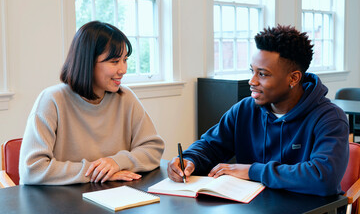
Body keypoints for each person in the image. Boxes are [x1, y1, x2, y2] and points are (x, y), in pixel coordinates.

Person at [168, 25, 349, 196]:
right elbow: (210, 145)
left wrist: (252, 171)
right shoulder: (244, 109)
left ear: (293, 78)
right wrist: (189, 160)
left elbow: (324, 178)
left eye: (262, 74)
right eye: (252, 71)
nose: (252, 81)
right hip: (254, 205)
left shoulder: (330, 118)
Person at [19, 21, 164, 185]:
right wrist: (98, 172)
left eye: (125, 60)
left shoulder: (126, 97)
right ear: (87, 62)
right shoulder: (52, 100)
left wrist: (117, 162)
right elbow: (32, 169)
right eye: (115, 61)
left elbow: (153, 148)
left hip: (115, 197)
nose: (123, 69)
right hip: (64, 202)